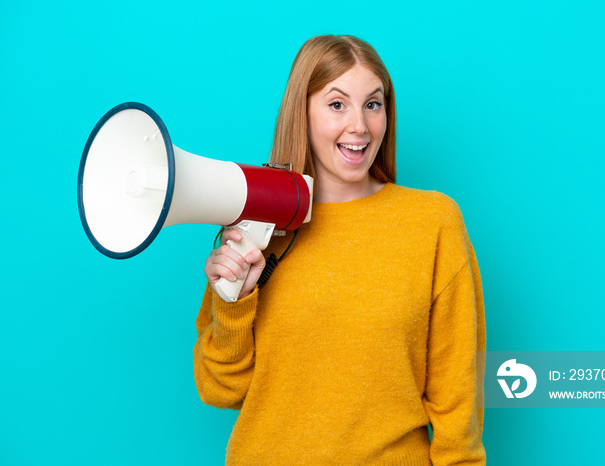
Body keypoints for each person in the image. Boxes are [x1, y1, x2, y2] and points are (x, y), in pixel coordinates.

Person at [193, 34, 486, 465]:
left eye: (373, 104)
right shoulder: (257, 224)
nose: (360, 127)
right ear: (302, 113)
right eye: (336, 104)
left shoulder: (432, 223)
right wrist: (232, 303)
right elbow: (220, 389)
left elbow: (457, 398)